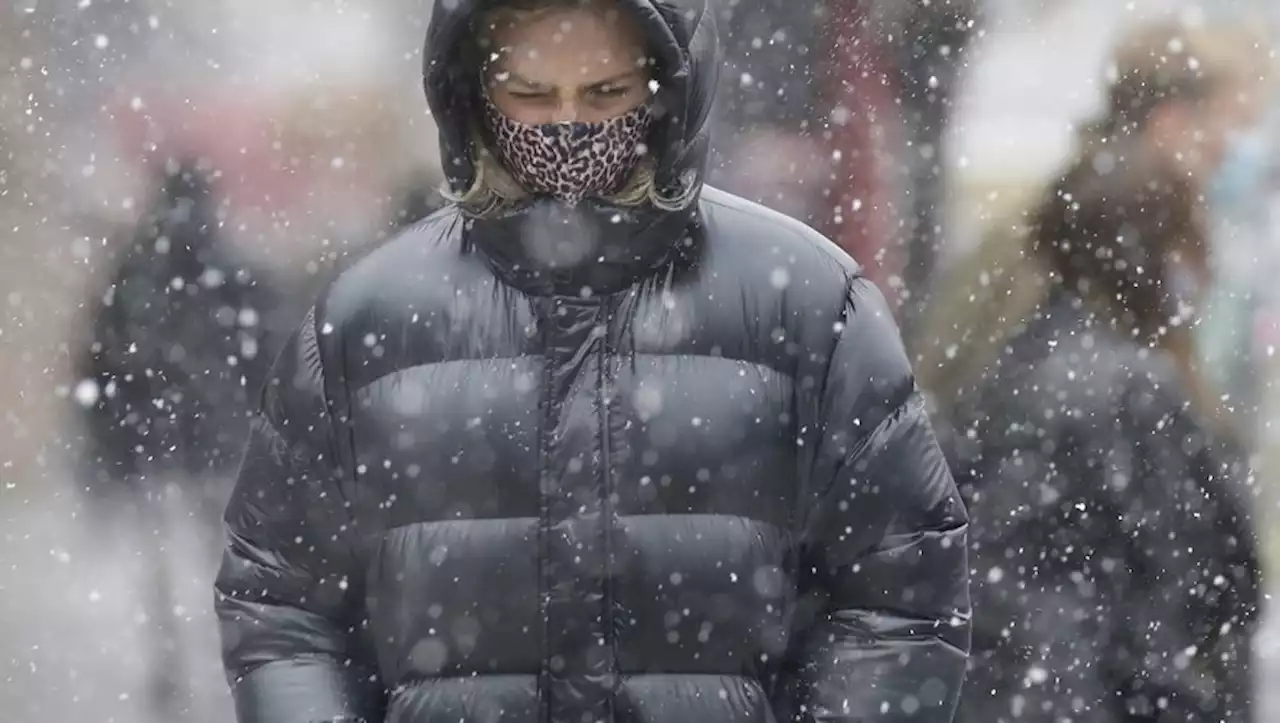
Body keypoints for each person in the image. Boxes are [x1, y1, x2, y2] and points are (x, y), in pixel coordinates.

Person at [213, 0, 971, 721]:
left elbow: (899, 593)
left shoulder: (808, 305)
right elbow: (285, 606)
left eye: (605, 92)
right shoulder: (366, 319)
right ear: (472, 91)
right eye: (531, 94)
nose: (568, 126)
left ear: (668, 86)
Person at [928, 20, 1265, 723]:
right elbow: (1171, 593)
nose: (1234, 158)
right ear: (1172, 125)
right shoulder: (1080, 256)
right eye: (1225, 135)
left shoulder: (1059, 235)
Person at [74, 156, 281, 721]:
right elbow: (265, 348)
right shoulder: (230, 262)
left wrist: (105, 447)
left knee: (164, 564)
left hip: (152, 441)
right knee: (222, 562)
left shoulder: (136, 262)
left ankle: (170, 660)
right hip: (217, 443)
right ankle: (230, 661)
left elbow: (99, 359)